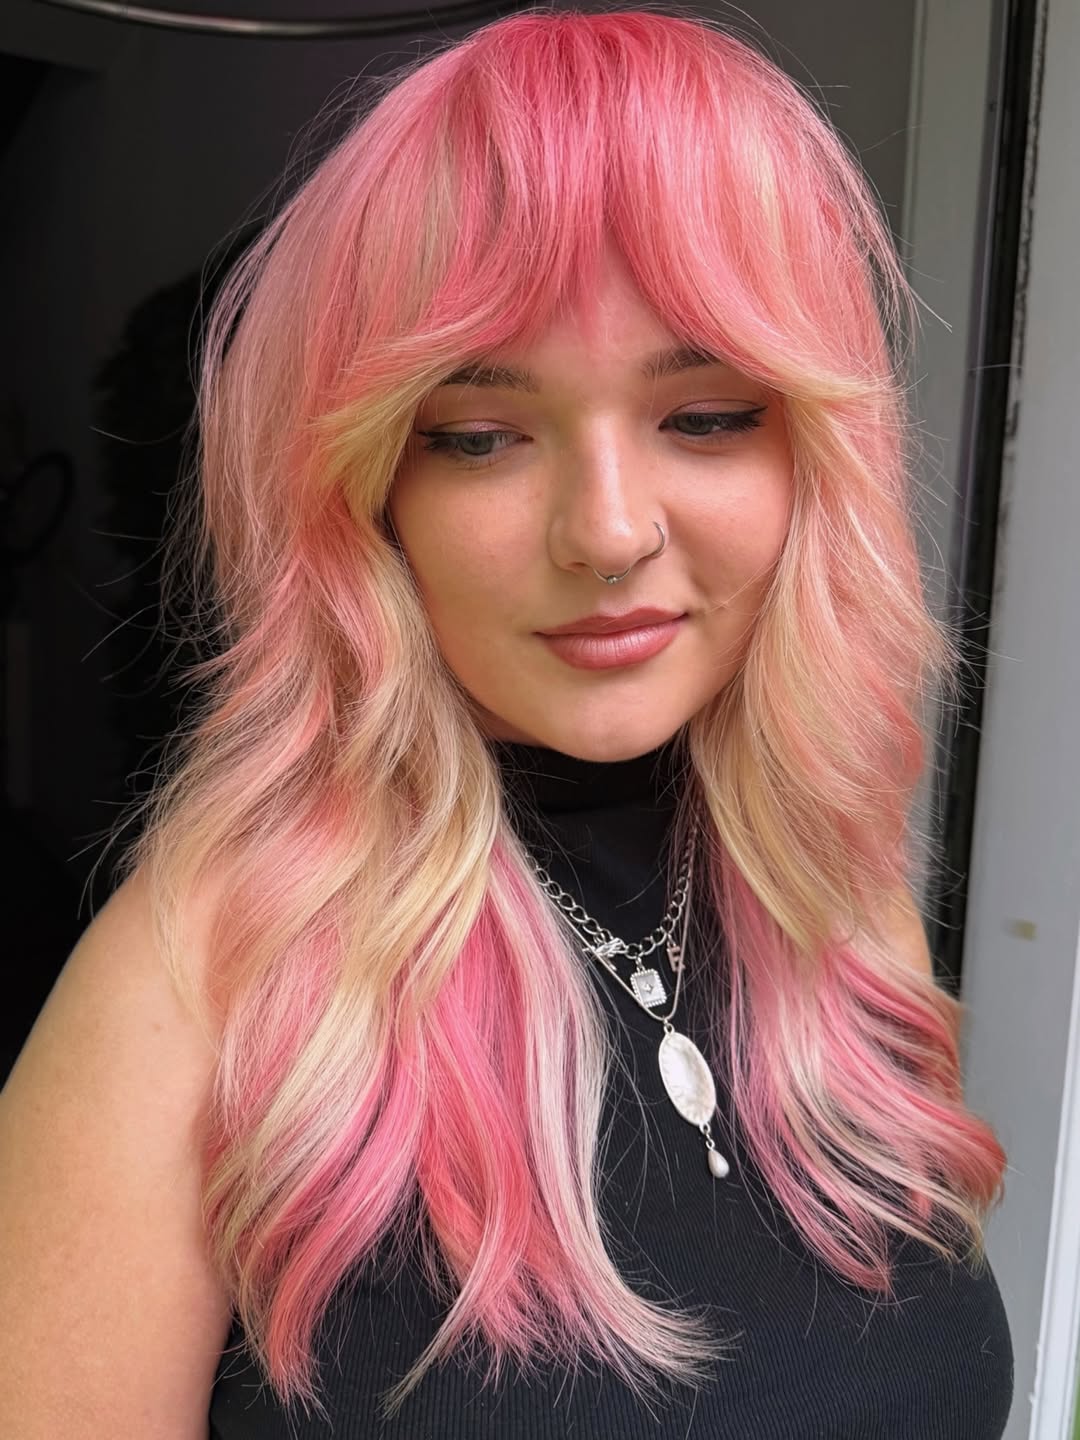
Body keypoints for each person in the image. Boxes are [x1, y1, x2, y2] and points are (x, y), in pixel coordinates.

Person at [0, 6, 1014, 1437]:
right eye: (479, 435)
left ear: (816, 453)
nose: (607, 533)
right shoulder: (196, 990)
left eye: (708, 415)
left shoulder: (840, 914)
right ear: (368, 494)